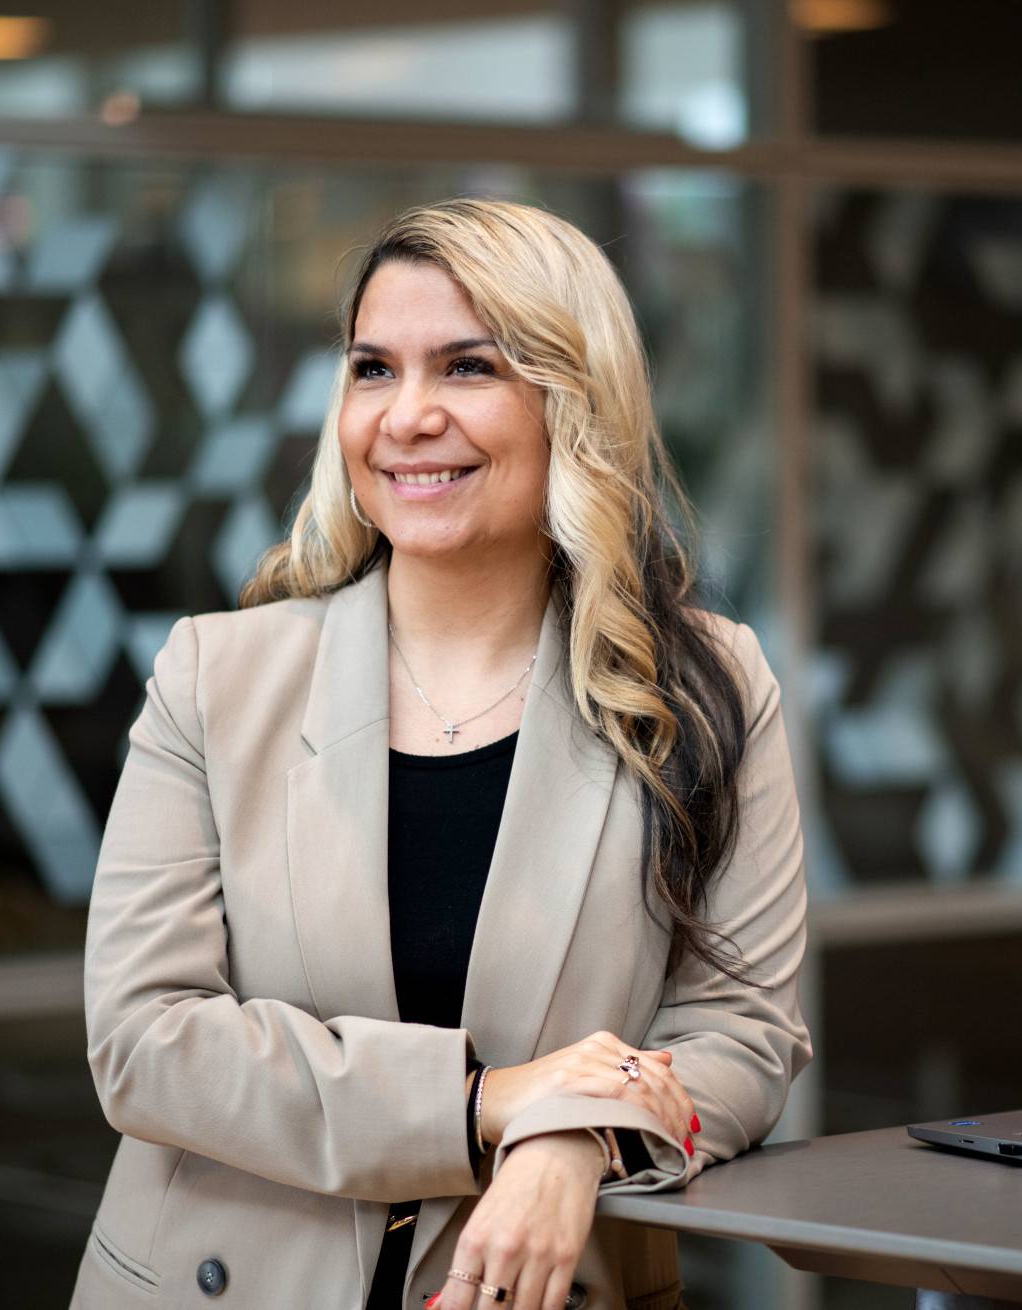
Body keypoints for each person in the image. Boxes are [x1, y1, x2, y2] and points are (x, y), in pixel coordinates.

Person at [72, 197, 812, 1310]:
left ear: (572, 398)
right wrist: (484, 1105)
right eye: (373, 369)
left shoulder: (706, 685)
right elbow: (146, 1039)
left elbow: (742, 1031)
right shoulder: (214, 678)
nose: (406, 416)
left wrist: (576, 1141)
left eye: (467, 368)